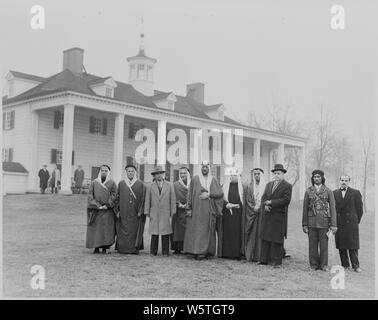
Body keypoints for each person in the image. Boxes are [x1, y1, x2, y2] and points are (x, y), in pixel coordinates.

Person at [184, 161, 224, 260]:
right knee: (197, 230)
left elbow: (220, 193)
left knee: (207, 230)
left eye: (206, 167)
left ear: (209, 168)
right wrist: (189, 208)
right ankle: (196, 251)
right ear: (200, 168)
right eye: (203, 167)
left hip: (209, 211)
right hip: (197, 210)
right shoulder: (195, 179)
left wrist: (210, 194)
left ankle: (207, 251)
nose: (204, 169)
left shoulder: (213, 179)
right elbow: (189, 194)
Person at [302, 170, 337, 271]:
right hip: (311, 222)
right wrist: (304, 224)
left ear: (322, 178)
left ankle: (323, 265)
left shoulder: (328, 191)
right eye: (314, 177)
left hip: (324, 222)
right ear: (312, 178)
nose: (316, 178)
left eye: (318, 177)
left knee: (324, 246)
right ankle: (313, 265)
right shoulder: (308, 191)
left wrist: (334, 224)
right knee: (312, 246)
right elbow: (305, 209)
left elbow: (333, 208)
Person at [259, 164, 292, 268]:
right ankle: (264, 260)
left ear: (283, 174)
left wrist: (271, 202)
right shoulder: (269, 184)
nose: (276, 175)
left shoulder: (287, 186)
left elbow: (286, 200)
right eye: (275, 173)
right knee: (266, 237)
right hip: (268, 215)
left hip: (279, 216)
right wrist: (265, 205)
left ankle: (276, 261)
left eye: (279, 173)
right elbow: (264, 197)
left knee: (277, 238)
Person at [333, 175, 364, 272]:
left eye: (346, 180)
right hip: (339, 222)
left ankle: (356, 266)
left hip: (351, 223)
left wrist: (355, 220)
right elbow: (333, 208)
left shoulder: (355, 192)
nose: (344, 182)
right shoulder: (334, 193)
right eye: (342, 180)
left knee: (353, 245)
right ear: (339, 181)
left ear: (349, 181)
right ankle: (345, 265)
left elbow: (360, 209)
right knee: (341, 244)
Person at [144, 165, 176, 256]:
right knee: (154, 232)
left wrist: (173, 211)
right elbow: (147, 199)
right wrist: (147, 211)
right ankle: (153, 251)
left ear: (163, 174)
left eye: (160, 173)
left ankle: (165, 251)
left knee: (165, 232)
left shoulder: (170, 185)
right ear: (154, 176)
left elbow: (172, 199)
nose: (159, 175)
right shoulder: (150, 186)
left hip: (166, 212)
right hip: (154, 211)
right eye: (156, 174)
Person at [115, 164, 146, 254]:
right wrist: (117, 210)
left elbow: (143, 199)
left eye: (132, 171)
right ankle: (123, 248)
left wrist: (141, 210)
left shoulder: (140, 184)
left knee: (134, 230)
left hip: (135, 213)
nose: (130, 173)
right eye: (129, 171)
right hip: (124, 211)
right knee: (123, 229)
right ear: (126, 172)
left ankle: (134, 249)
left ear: (135, 172)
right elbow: (117, 198)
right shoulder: (121, 184)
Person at [86, 165, 117, 254]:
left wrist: (107, 205)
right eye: (102, 170)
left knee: (107, 229)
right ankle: (96, 246)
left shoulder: (112, 183)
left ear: (108, 172)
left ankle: (105, 247)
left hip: (108, 210)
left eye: (106, 171)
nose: (104, 172)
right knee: (97, 229)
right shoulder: (94, 183)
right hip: (97, 210)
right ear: (100, 172)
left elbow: (114, 195)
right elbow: (90, 195)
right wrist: (97, 205)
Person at [220, 168, 244, 260]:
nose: (232, 176)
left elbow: (243, 200)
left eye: (234, 175)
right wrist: (227, 205)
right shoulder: (225, 186)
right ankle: (226, 253)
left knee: (236, 233)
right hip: (227, 214)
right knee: (227, 232)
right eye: (231, 175)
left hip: (238, 214)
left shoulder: (242, 187)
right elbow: (221, 199)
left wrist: (236, 205)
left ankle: (236, 253)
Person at [244, 168, 266, 262]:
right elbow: (248, 200)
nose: (257, 175)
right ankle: (251, 255)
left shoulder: (266, 186)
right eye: (255, 174)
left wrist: (260, 207)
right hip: (252, 213)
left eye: (258, 174)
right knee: (252, 234)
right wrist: (254, 208)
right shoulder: (250, 186)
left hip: (262, 214)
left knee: (261, 234)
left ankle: (260, 256)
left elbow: (267, 198)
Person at [172, 167, 191, 254]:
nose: (183, 175)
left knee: (188, 229)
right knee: (177, 230)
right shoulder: (175, 185)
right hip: (178, 210)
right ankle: (177, 248)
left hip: (189, 210)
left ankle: (187, 248)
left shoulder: (192, 184)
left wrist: (187, 205)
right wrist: (177, 204)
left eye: (184, 173)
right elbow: (172, 197)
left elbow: (194, 196)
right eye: (181, 173)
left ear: (188, 174)